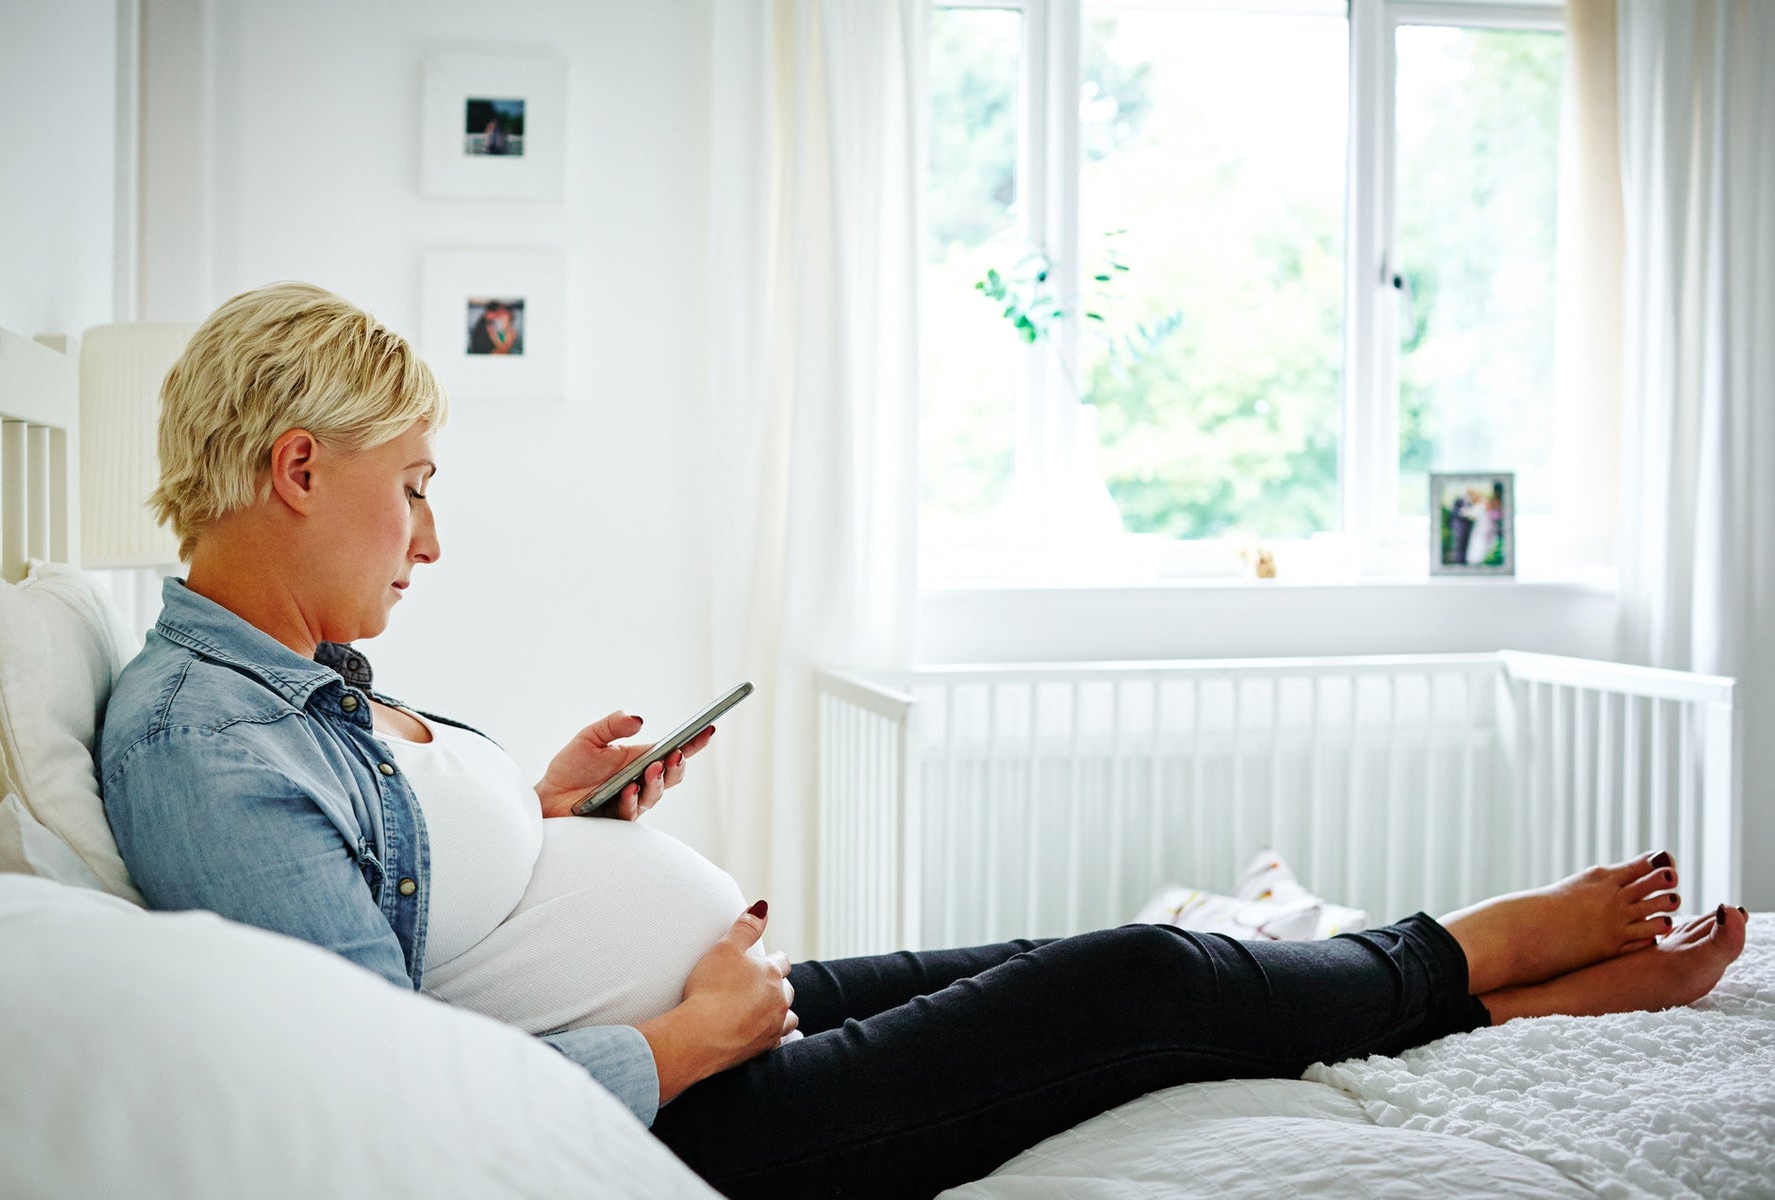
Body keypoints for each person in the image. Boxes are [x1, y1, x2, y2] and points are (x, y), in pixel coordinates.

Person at [100, 283, 1747, 1200]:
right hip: (673, 1120)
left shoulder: (294, 692)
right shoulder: (206, 748)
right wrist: (682, 1044)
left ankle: (1460, 990)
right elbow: (390, 1110)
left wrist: (549, 818)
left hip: (697, 1039)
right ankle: (1475, 952)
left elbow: (408, 919)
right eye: (416, 489)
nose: (430, 542)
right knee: (1138, 984)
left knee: (1106, 950)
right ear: (301, 470)